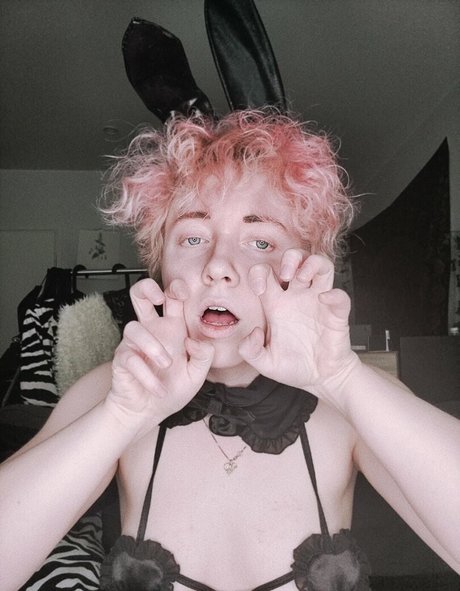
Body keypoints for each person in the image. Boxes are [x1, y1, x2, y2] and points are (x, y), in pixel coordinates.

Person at [1, 109, 459, 591]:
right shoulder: (111, 389)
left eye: (260, 241)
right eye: (193, 237)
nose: (218, 264)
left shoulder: (352, 398)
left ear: (302, 267)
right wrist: (121, 416)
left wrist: (342, 378)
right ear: (161, 264)